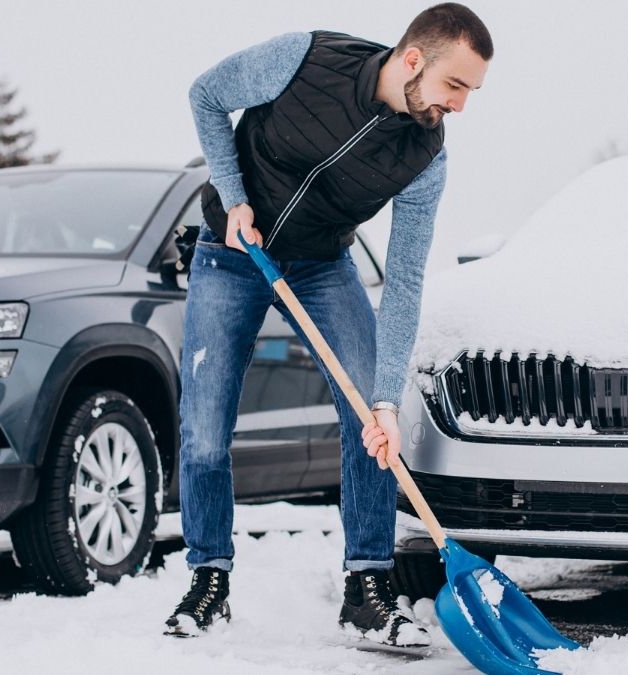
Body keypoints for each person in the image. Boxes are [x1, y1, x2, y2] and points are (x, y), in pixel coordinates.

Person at [164, 3, 492, 647]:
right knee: (204, 430)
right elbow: (206, 96)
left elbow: (403, 283)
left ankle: (367, 587)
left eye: (472, 92)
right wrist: (234, 198)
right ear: (413, 59)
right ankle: (208, 579)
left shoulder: (425, 156)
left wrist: (388, 399)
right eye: (456, 85)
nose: (460, 106)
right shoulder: (305, 58)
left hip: (321, 265)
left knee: (371, 422)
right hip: (230, 253)